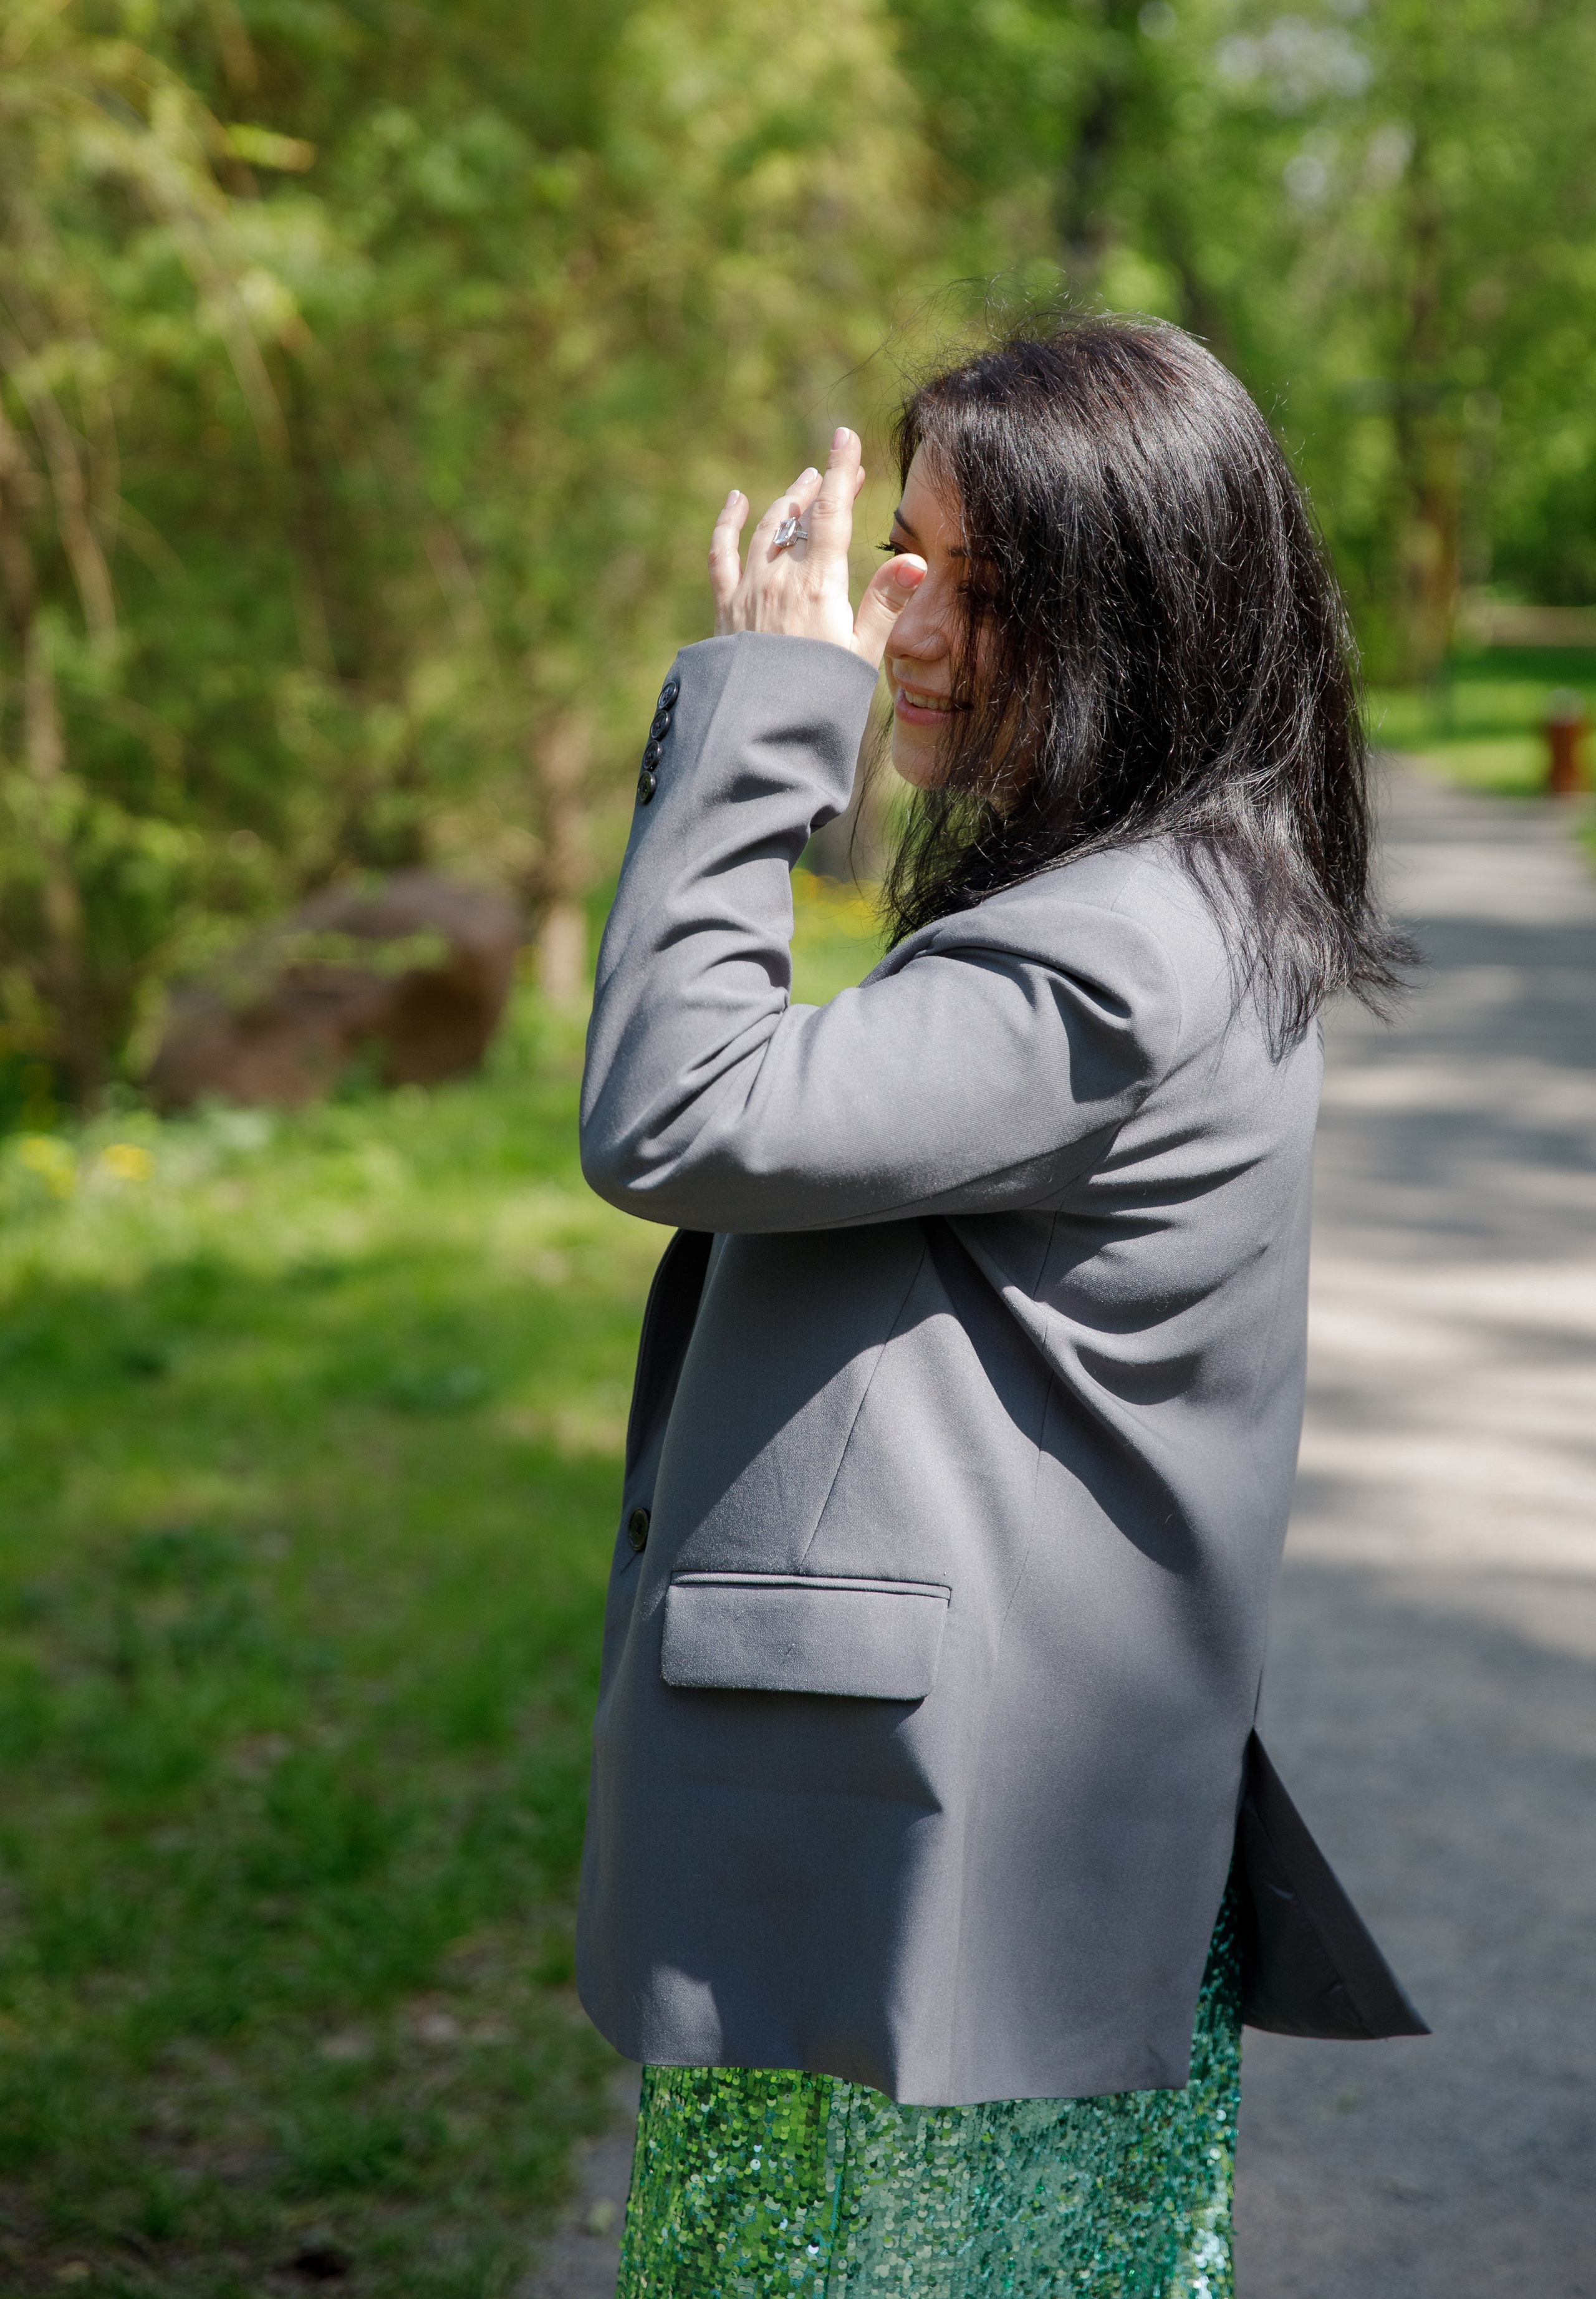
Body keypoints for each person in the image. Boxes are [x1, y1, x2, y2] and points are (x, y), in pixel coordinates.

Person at [575, 319, 1416, 2298]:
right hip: (923, 1873)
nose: (909, 626)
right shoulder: (1152, 894)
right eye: (908, 563)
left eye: (981, 585)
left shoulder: (1122, 950)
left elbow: (677, 1112)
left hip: (948, 1892)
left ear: (1143, 614)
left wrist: (767, 707)